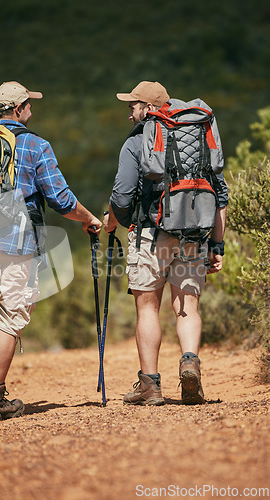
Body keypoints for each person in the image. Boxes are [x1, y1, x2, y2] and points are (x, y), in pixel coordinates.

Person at [0, 81, 102, 426]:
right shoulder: (35, 145)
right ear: (17, 109)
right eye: (28, 103)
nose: (31, 108)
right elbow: (59, 199)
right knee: (9, 319)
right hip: (17, 242)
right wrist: (89, 220)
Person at [103, 81, 228, 405]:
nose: (129, 112)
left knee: (147, 307)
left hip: (150, 232)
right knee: (187, 304)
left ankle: (150, 385)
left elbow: (122, 194)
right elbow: (220, 195)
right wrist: (217, 246)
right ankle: (189, 362)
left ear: (147, 108)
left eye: (133, 106)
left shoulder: (137, 139)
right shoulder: (198, 135)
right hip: (194, 232)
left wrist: (121, 221)